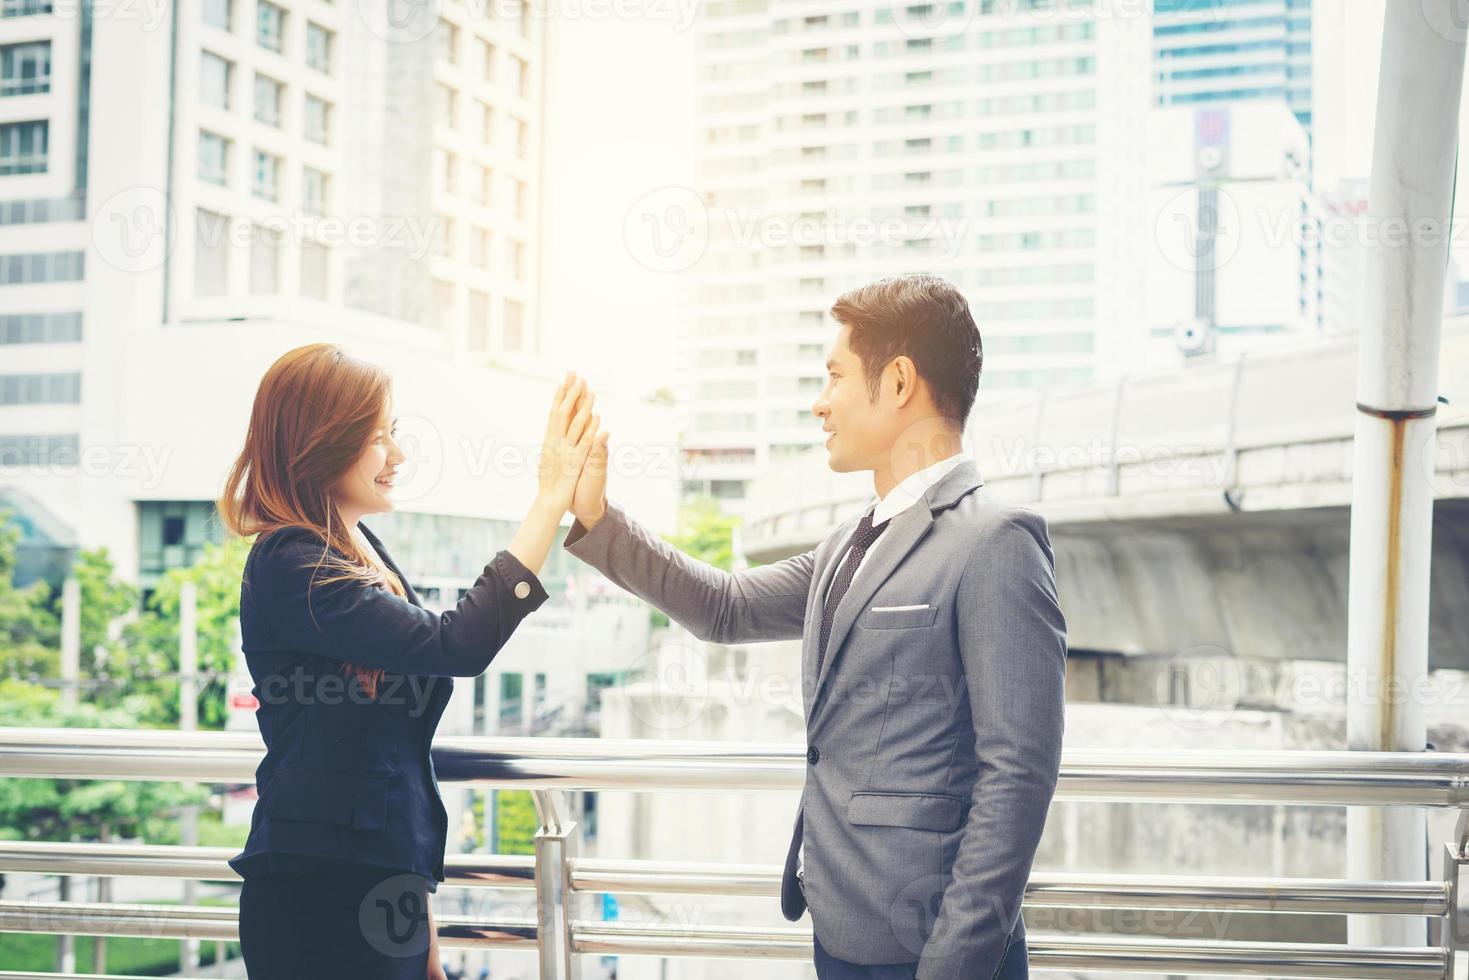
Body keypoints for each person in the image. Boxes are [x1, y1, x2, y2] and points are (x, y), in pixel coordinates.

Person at [561, 275, 1067, 979]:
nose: (818, 403)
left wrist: (954, 963)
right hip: (837, 931)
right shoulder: (846, 545)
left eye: (833, 377)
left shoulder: (995, 542)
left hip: (928, 952)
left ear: (897, 383)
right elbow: (725, 607)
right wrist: (596, 516)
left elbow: (1017, 774)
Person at [221, 344, 605, 979]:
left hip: (382, 890)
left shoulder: (357, 549)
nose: (397, 456)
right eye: (377, 438)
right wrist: (549, 500)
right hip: (319, 901)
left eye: (391, 433)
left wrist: (418, 921)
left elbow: (388, 757)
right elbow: (457, 644)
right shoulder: (292, 561)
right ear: (322, 444)